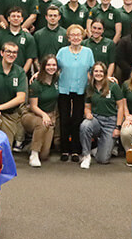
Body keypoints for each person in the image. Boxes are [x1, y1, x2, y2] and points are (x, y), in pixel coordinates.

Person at [55, 24, 96, 162]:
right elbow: (53, 68)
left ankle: (75, 151)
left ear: (83, 36)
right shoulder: (62, 52)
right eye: (73, 35)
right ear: (68, 37)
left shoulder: (88, 52)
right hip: (64, 89)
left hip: (81, 90)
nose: (76, 37)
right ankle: (64, 149)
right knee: (64, 119)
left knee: (77, 120)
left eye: (78, 35)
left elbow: (93, 71)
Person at [79, 62, 124, 168]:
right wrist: (88, 113)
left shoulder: (113, 86)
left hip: (110, 122)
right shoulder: (90, 87)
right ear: (92, 73)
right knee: (85, 126)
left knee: (103, 159)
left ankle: (98, 149)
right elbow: (87, 107)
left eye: (101, 71)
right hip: (96, 119)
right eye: (96, 71)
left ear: (105, 73)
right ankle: (86, 155)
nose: (98, 73)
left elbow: (121, 107)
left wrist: (118, 127)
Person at [22, 55, 60, 167]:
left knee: (44, 155)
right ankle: (33, 154)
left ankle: (31, 146)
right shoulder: (36, 83)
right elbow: (33, 106)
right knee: (41, 123)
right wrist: (44, 115)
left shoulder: (57, 80)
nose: (51, 67)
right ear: (43, 66)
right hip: (32, 115)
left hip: (50, 117)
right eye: (48, 65)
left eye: (54, 65)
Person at [0, 7, 37, 72]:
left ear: (22, 19)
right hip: (2, 74)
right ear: (8, 19)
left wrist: (22, 74)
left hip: (21, 75)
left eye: (18, 16)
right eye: (13, 16)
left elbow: (29, 59)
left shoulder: (29, 37)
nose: (16, 18)